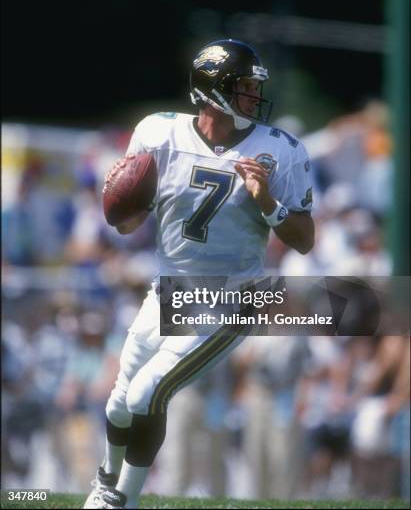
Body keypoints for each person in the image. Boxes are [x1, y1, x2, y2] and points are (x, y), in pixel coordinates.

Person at [84, 39, 315, 509]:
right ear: (214, 90)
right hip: (168, 291)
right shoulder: (157, 133)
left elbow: (305, 240)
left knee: (149, 392)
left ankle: (120, 501)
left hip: (235, 297)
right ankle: (104, 483)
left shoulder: (280, 150)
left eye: (255, 87)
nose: (255, 96)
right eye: (246, 87)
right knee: (119, 401)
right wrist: (120, 202)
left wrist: (267, 203)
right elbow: (127, 226)